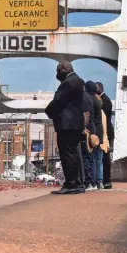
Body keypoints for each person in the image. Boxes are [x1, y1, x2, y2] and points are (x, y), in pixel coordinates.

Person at [45, 61, 86, 194]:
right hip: (76, 123)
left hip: (67, 123)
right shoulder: (79, 81)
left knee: (67, 154)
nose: (57, 74)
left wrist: (48, 111)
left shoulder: (68, 83)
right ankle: (77, 183)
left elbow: (58, 100)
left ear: (64, 70)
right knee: (73, 153)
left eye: (58, 71)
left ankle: (70, 184)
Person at [85, 81, 104, 190]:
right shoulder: (98, 100)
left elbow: (87, 115)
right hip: (99, 132)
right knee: (98, 159)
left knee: (90, 157)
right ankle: (99, 181)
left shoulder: (89, 99)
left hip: (92, 131)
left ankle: (91, 181)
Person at [95, 82, 114, 189]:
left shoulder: (105, 101)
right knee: (102, 157)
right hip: (104, 131)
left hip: (106, 132)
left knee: (105, 158)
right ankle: (104, 179)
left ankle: (107, 180)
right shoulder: (104, 99)